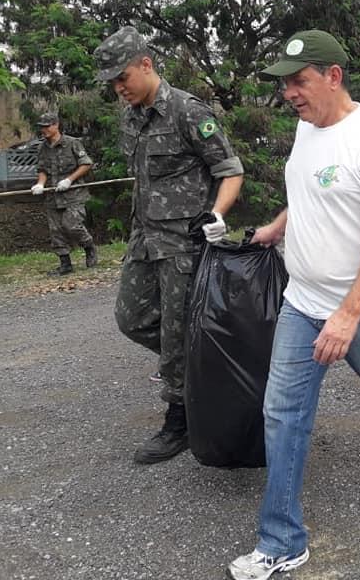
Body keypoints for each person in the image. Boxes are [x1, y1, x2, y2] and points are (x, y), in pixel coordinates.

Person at [229, 30, 360, 579]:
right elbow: (304, 195)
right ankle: (281, 540)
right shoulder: (305, 128)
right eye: (285, 85)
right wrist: (276, 227)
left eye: (300, 81)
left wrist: (347, 313)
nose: (290, 94)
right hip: (303, 303)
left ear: (333, 77)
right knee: (283, 413)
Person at [94, 26, 244, 465]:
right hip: (144, 236)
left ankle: (179, 419)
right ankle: (203, 364)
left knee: (178, 330)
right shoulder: (131, 116)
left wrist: (217, 216)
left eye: (122, 78)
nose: (119, 89)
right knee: (131, 317)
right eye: (112, 84)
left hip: (183, 244)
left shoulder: (186, 110)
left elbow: (230, 169)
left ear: (146, 64)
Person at [30, 111, 97, 275]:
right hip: (53, 195)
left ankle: (89, 247)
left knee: (71, 225)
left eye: (47, 126)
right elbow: (42, 169)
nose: (43, 130)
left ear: (56, 125)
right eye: (41, 127)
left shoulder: (72, 143)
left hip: (73, 194)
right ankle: (65, 263)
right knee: (56, 230)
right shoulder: (42, 147)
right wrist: (40, 184)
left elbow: (86, 164)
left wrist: (69, 180)